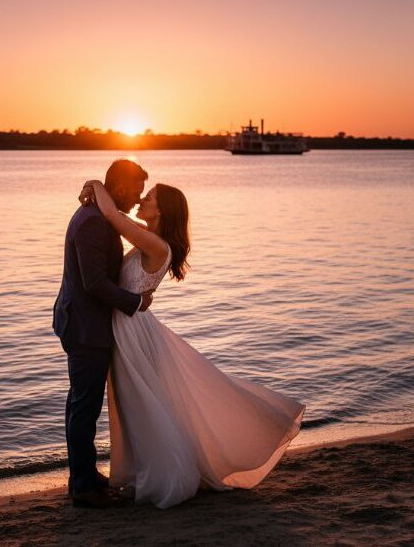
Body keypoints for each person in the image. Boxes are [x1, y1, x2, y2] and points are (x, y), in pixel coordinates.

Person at [77, 177, 305, 509]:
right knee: (138, 404)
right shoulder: (150, 239)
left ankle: (165, 475)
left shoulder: (158, 245)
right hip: (130, 326)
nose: (142, 198)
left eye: (150, 197)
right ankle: (147, 470)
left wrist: (96, 183)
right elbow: (120, 224)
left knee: (141, 403)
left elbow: (113, 216)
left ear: (162, 210)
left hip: (132, 331)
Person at [52, 158, 154, 508]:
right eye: (137, 189)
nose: (138, 198)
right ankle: (82, 485)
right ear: (121, 187)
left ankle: (85, 473)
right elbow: (95, 283)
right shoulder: (93, 222)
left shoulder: (101, 214)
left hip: (85, 321)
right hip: (85, 325)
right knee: (84, 404)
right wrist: (136, 301)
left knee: (81, 402)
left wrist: (94, 183)